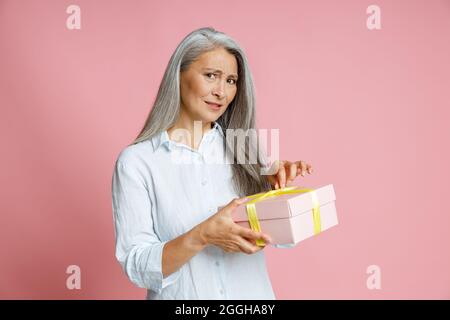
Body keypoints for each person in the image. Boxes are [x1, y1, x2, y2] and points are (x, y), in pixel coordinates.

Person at [111, 27, 313, 299]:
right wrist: (202, 236)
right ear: (178, 76)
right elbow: (137, 265)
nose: (222, 91)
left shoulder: (243, 148)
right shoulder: (137, 162)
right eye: (211, 76)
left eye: (231, 80)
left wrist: (277, 195)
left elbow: (280, 241)